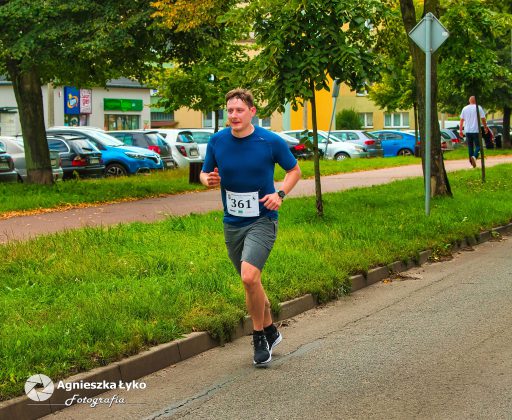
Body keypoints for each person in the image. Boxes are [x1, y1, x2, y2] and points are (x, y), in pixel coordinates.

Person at [200, 88, 301, 366]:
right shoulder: (217, 141)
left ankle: (259, 337)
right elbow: (204, 172)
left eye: (239, 110)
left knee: (248, 277)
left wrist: (280, 194)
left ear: (252, 112)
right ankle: (271, 329)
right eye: (230, 110)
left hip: (263, 219)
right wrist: (207, 180)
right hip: (232, 223)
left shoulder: (269, 141)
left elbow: (294, 170)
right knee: (252, 282)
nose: (234, 115)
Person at [459, 96, 489, 168]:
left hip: (467, 131)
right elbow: (483, 119)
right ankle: (475, 157)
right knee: (479, 146)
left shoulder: (464, 108)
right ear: (475, 101)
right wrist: (485, 127)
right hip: (476, 130)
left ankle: (472, 164)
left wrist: (460, 130)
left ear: (469, 101)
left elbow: (461, 120)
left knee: (470, 147)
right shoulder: (478, 107)